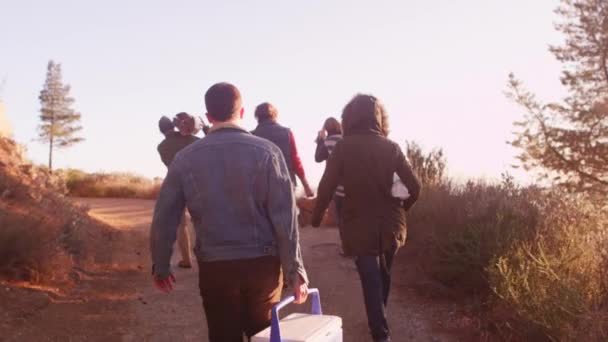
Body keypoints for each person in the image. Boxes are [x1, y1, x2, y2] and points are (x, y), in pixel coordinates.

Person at [150, 82, 309, 342]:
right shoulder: (269, 153)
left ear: (209, 116)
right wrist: (295, 271)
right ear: (242, 112)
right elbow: (285, 219)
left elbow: (165, 216)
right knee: (265, 336)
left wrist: (161, 265)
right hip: (263, 266)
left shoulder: (185, 158)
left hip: (216, 267)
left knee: (223, 335)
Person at [311, 94, 421, 342]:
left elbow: (326, 187)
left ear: (349, 118)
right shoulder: (391, 147)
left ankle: (380, 333)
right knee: (384, 274)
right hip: (392, 224)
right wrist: (404, 208)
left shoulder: (342, 148)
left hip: (358, 224)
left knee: (371, 277)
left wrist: (316, 219)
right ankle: (379, 317)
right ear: (379, 118)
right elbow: (416, 187)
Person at [156, 114, 199, 268]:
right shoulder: (191, 139)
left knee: (181, 225)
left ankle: (187, 260)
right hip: (197, 183)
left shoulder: (161, 147)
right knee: (201, 221)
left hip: (176, 185)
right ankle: (206, 255)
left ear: (161, 131)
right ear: (174, 126)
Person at [252, 102, 314, 197]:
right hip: (285, 182)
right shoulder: (287, 133)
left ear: (257, 116)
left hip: (260, 186)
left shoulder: (251, 136)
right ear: (274, 115)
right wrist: (306, 186)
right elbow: (295, 160)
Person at [315, 117, 346, 253]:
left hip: (338, 187)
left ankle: (346, 247)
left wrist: (320, 139)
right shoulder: (346, 139)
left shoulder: (328, 141)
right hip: (354, 184)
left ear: (326, 129)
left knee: (342, 218)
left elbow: (318, 158)